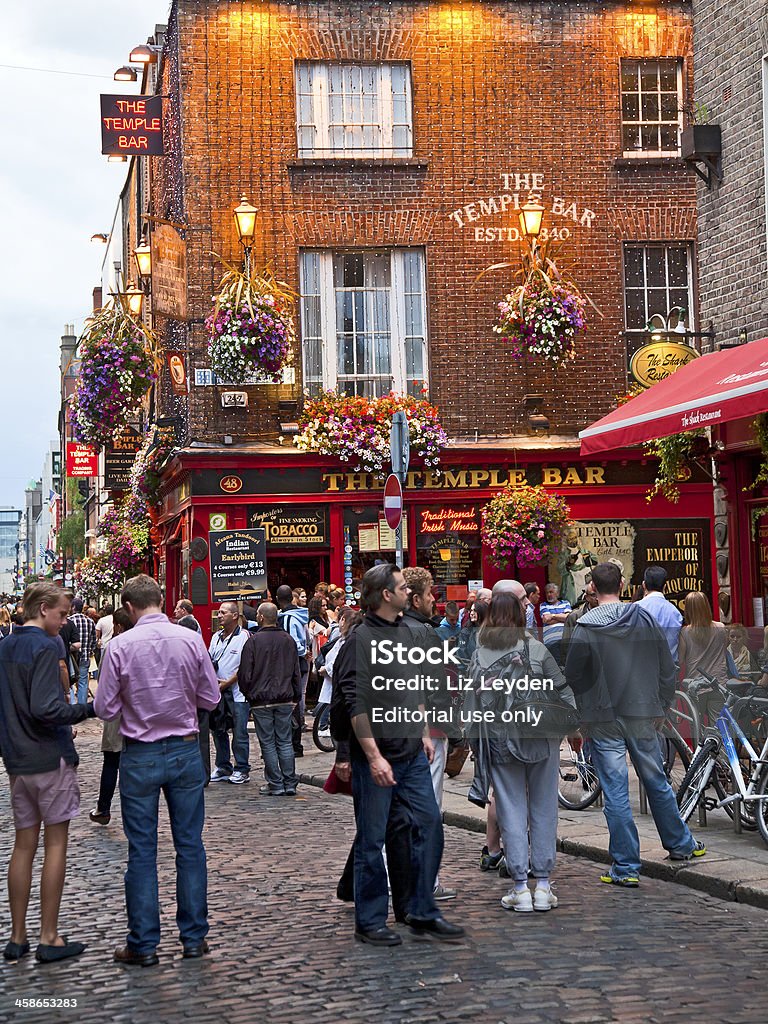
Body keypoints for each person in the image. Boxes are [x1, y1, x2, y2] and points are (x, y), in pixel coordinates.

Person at [334, 563, 464, 946]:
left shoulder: (409, 632)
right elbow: (354, 704)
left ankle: (418, 909)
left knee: (426, 826)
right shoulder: (360, 639)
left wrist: (423, 732)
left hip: (410, 753)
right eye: (404, 587)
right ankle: (370, 920)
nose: (410, 592)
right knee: (373, 840)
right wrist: (372, 757)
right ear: (386, 596)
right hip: (378, 756)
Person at [95, 574, 220, 966]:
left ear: (129, 608)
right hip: (184, 751)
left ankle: (144, 944)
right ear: (160, 600)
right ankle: (194, 939)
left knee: (143, 851)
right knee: (190, 846)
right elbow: (211, 696)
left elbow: (104, 709)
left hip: (141, 754)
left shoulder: (119, 646)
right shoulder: (189, 639)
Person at [565, 562, 705, 887]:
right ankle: (681, 844)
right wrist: (663, 702)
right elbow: (666, 664)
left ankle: (626, 867)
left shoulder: (585, 627)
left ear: (592, 589)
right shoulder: (642, 617)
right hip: (642, 710)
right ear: (625, 584)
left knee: (615, 790)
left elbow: (573, 677)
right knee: (656, 780)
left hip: (602, 718)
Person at [0, 582, 95, 963]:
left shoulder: (5, 646)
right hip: (48, 756)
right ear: (42, 609)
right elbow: (46, 707)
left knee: (23, 846)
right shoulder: (46, 646)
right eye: (61, 614)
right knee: (55, 844)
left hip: (18, 762)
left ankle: (17, 936)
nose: (65, 621)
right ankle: (49, 936)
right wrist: (89, 708)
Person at [466, 591, 574, 912]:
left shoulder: (480, 653)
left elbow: (472, 706)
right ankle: (542, 885)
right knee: (544, 808)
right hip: (541, 737)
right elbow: (562, 688)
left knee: (510, 810)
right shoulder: (536, 648)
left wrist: (474, 744)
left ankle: (519, 887)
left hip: (501, 740)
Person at [401, 566, 459, 902]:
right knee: (428, 806)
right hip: (428, 730)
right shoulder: (423, 632)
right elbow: (436, 685)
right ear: (415, 596)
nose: (434, 601)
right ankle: (426, 879)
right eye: (430, 594)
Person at [238, 602, 302, 796]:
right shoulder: (287, 639)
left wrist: (248, 694)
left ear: (261, 617)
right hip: (284, 697)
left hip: (261, 699)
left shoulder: (253, 641)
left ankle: (276, 782)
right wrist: (296, 696)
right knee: (284, 741)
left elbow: (245, 674)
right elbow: (295, 671)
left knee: (267, 742)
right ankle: (289, 782)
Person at [89, 608, 134, 825]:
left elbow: (105, 686)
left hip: (117, 713)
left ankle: (103, 808)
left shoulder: (114, 647)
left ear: (117, 626)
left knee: (111, 761)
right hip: (140, 714)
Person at [208, 601, 251, 785]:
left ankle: (242, 767)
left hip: (238, 693)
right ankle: (223, 765)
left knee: (239, 732)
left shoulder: (244, 637)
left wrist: (227, 683)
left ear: (235, 615)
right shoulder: (216, 637)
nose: (219, 616)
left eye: (223, 613)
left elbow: (246, 666)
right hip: (218, 693)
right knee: (218, 730)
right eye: (218, 612)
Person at [276, 584, 310, 756]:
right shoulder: (298, 616)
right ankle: (293, 743)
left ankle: (294, 745)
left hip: (292, 665)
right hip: (298, 663)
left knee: (292, 704)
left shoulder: (289, 619)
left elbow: (293, 645)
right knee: (295, 701)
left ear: (277, 599)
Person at [639, 566, 683, 666]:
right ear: (665, 586)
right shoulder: (675, 613)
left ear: (644, 585)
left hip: (641, 669)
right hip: (668, 670)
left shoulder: (635, 609)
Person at [68, 597, 96, 705]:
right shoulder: (90, 622)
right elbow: (94, 640)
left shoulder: (69, 621)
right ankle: (82, 707)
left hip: (72, 658)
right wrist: (90, 650)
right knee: (83, 683)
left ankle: (72, 705)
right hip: (85, 656)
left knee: (70, 681)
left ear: (73, 607)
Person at [539, 583, 571, 664]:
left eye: (551, 592)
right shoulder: (543, 605)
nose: (549, 595)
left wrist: (552, 616)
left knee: (568, 664)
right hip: (551, 640)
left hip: (565, 638)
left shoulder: (565, 603)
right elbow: (546, 620)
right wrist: (562, 618)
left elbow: (569, 618)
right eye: (547, 593)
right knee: (557, 666)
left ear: (557, 593)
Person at [455, 599, 487, 669]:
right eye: (471, 610)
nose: (472, 613)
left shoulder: (491, 632)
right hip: (470, 673)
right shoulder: (465, 632)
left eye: (475, 611)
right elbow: (461, 656)